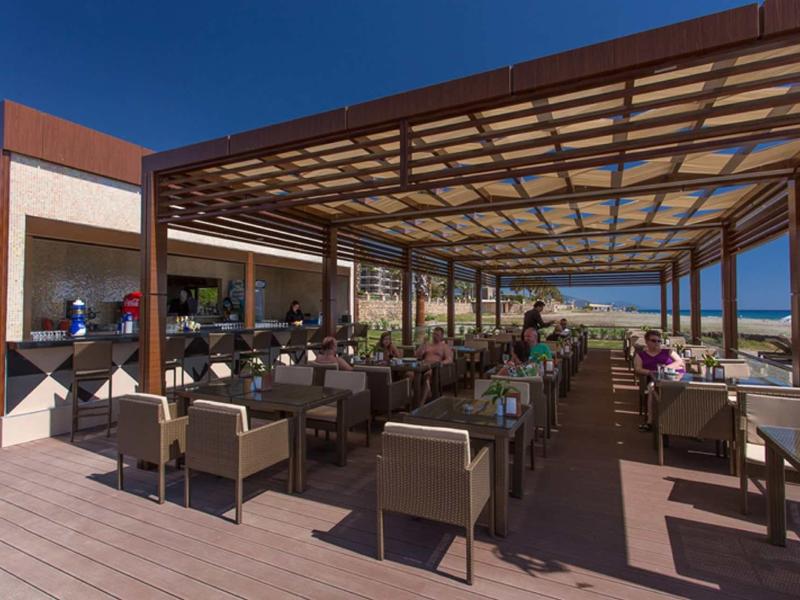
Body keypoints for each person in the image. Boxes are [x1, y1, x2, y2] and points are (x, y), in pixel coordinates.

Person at [633, 330, 686, 431]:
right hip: (656, 378)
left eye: (659, 341)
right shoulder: (641, 355)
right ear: (647, 341)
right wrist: (653, 372)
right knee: (652, 388)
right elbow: (638, 369)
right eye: (653, 341)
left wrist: (665, 368)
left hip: (676, 376)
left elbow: (680, 362)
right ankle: (650, 421)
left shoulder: (668, 352)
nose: (656, 343)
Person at [415, 326, 453, 403]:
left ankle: (421, 403)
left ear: (442, 336)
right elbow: (417, 355)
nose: (435, 336)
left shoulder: (444, 346)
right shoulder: (427, 345)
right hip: (423, 366)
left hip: (435, 368)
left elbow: (449, 359)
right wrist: (423, 344)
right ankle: (411, 400)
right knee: (410, 374)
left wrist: (441, 363)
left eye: (437, 335)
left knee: (427, 375)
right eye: (434, 334)